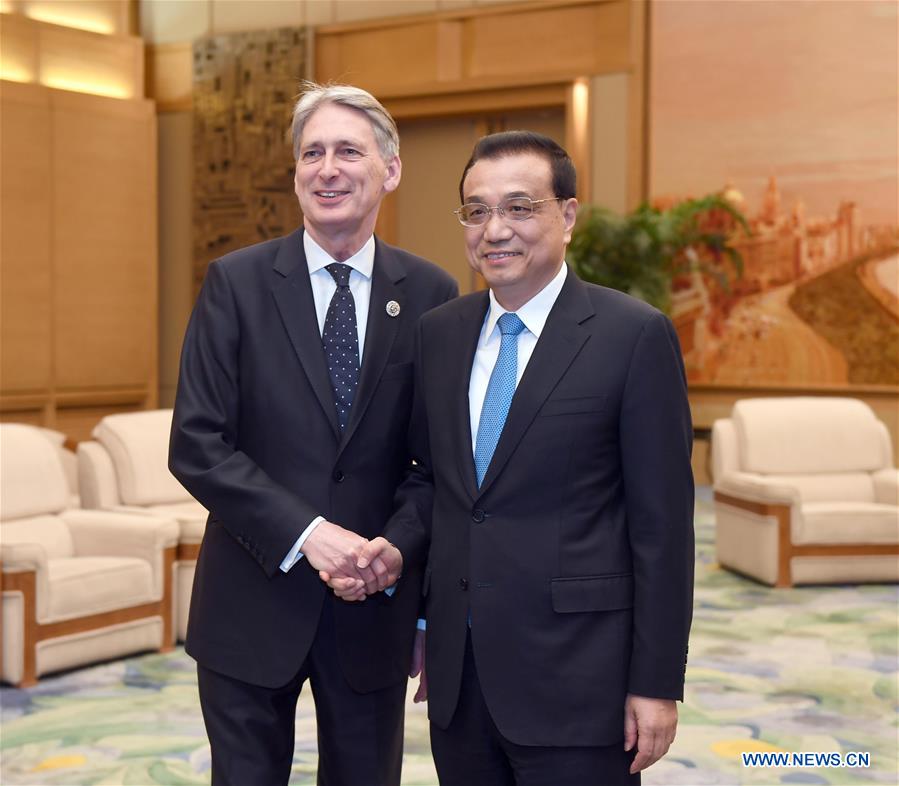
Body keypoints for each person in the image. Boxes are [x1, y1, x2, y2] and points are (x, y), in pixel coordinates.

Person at [330, 130, 694, 785]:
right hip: (461, 676)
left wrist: (656, 683)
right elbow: (437, 485)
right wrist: (407, 579)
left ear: (569, 216)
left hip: (581, 680)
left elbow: (662, 530)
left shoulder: (631, 336)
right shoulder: (439, 334)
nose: (494, 229)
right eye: (476, 211)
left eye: (520, 208)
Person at [168, 82, 458, 786]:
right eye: (312, 153)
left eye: (348, 151)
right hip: (249, 602)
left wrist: (398, 548)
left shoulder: (431, 296)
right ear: (296, 174)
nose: (327, 168)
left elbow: (438, 463)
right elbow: (197, 444)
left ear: (388, 170)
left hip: (373, 606)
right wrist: (308, 533)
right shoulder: (234, 284)